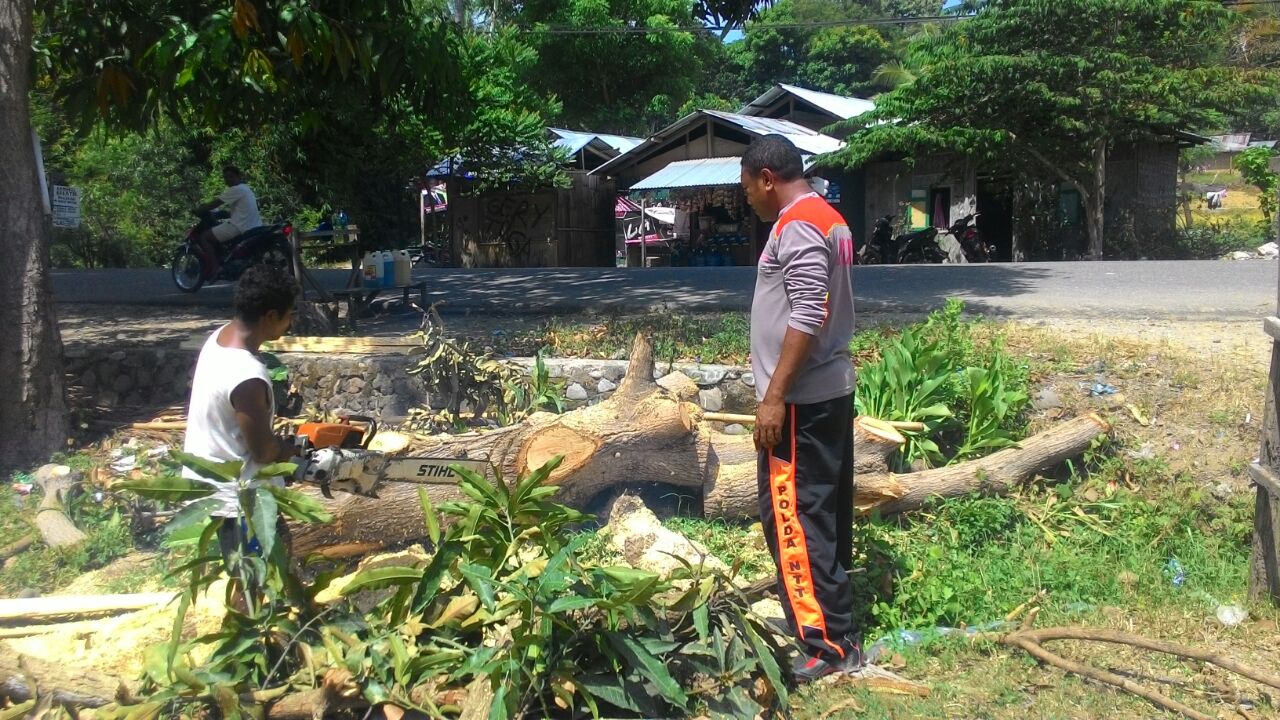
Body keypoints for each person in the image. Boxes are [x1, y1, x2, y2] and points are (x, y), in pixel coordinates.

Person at [741, 134, 861, 682]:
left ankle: (827, 645)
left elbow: (808, 312)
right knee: (823, 513)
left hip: (800, 402)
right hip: (825, 392)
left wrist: (773, 398)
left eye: (748, 189)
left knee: (795, 517)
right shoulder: (829, 217)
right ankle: (838, 629)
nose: (748, 200)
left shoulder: (798, 225)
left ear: (768, 178)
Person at [183, 264, 299, 567]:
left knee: (260, 568)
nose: (290, 323)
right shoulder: (246, 375)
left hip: (217, 483)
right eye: (288, 315)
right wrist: (290, 451)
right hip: (240, 497)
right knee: (258, 576)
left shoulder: (221, 337)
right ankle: (255, 613)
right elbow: (262, 451)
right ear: (270, 316)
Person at [194, 165, 264, 256]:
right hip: (253, 225)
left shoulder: (236, 189)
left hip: (239, 226)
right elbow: (238, 209)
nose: (228, 179)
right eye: (226, 177)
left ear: (238, 176)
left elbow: (215, 203)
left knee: (205, 237)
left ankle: (215, 268)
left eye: (231, 176)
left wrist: (199, 210)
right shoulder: (246, 188)